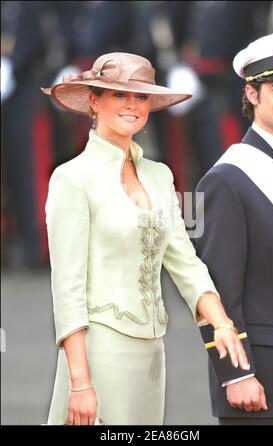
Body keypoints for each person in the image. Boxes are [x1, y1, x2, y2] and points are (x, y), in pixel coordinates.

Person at [42, 52, 249, 425]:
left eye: (141, 97)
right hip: (98, 351)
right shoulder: (72, 178)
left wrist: (222, 324)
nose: (133, 106)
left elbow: (185, 261)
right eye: (120, 95)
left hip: (153, 355)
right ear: (93, 101)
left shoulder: (159, 176)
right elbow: (67, 287)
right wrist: (79, 383)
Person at [193, 32, 273, 425]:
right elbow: (215, 290)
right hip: (267, 375)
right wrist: (237, 373)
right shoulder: (225, 180)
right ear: (252, 94)